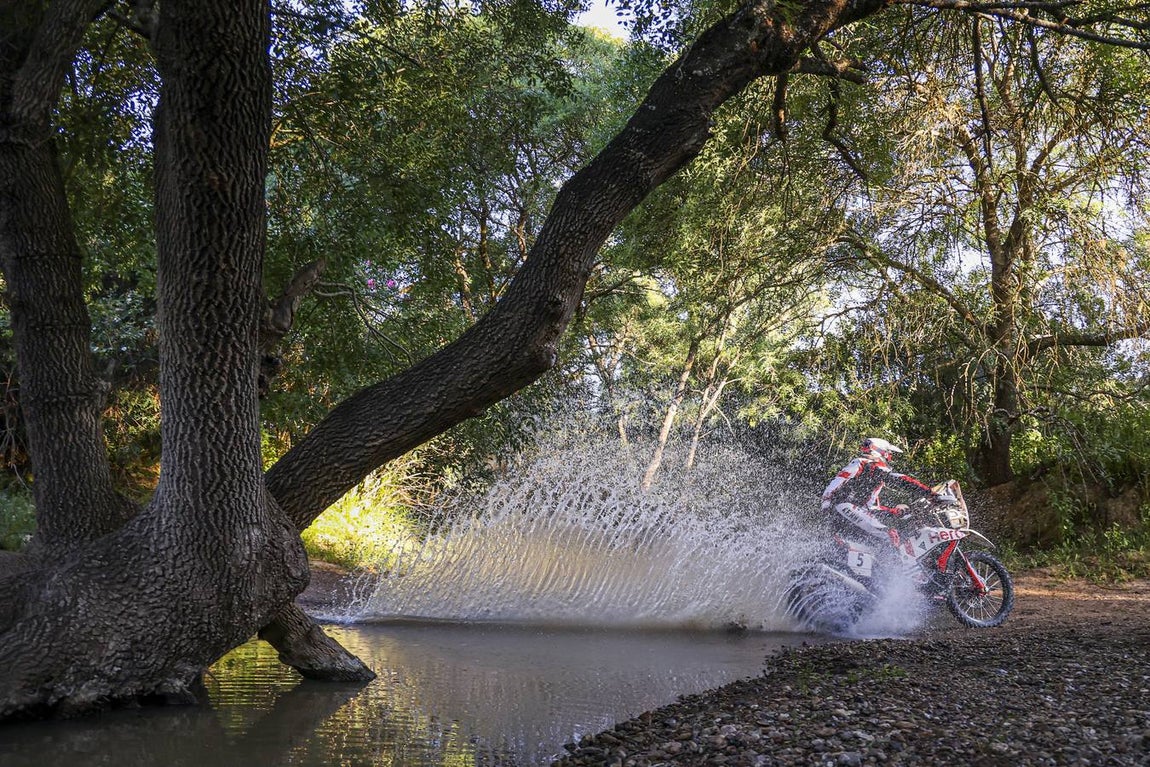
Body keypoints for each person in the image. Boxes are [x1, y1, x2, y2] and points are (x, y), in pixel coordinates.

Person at [820, 437, 941, 567]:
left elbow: (869, 508)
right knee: (889, 535)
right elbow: (901, 480)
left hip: (847, 512)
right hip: (842, 508)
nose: (890, 459)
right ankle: (895, 573)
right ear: (881, 452)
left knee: (884, 538)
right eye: (889, 455)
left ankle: (873, 571)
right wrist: (929, 493)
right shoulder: (864, 463)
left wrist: (893, 512)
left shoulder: (874, 474)